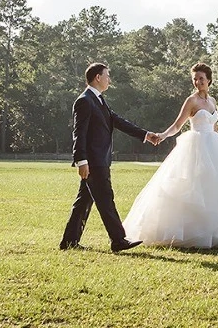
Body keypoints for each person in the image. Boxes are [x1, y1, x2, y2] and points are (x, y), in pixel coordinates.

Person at [123, 62, 218, 249]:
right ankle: (191, 233)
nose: (198, 82)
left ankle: (217, 234)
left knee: (216, 189)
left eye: (201, 79)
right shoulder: (192, 101)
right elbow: (177, 125)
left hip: (213, 146)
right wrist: (162, 136)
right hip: (195, 147)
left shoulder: (212, 102)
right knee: (193, 189)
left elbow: (214, 125)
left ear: (209, 80)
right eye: (195, 79)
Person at [59, 62, 162, 253]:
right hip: (93, 162)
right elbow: (78, 133)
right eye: (107, 75)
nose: (109, 79)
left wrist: (145, 135)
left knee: (84, 201)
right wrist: (81, 160)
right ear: (97, 77)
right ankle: (118, 240)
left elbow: (118, 122)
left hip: (99, 160)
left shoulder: (99, 100)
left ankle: (69, 241)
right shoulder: (84, 101)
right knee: (106, 199)